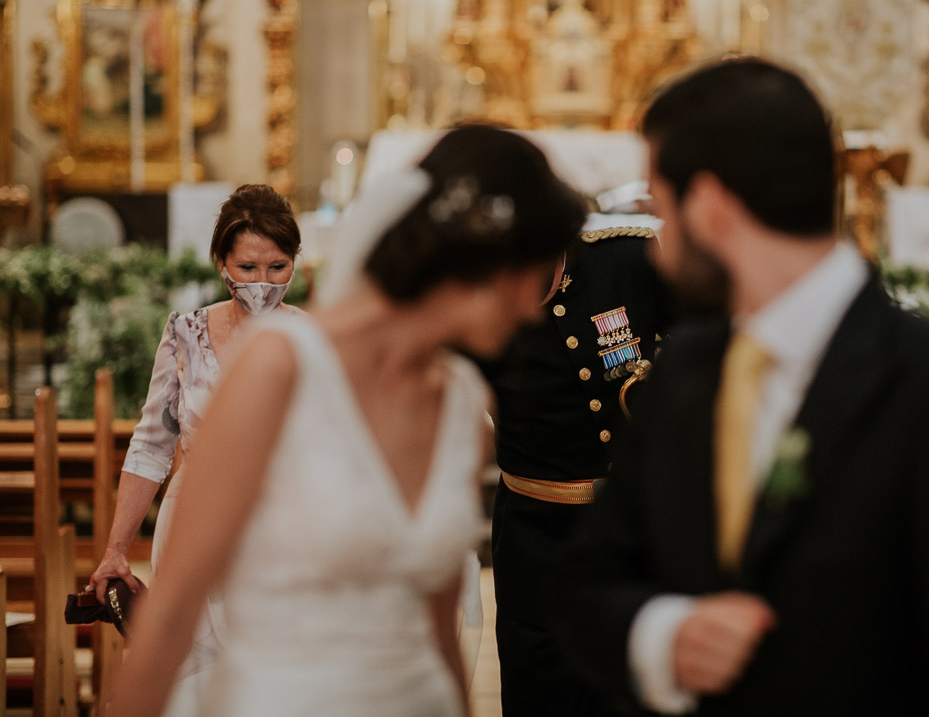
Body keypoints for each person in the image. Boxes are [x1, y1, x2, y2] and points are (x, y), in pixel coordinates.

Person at [552, 59, 929, 715]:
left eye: (661, 205)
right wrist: (662, 636)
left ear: (709, 209)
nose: (656, 246)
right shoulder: (684, 372)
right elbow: (589, 583)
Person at [105, 125, 586, 717]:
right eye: (533, 277)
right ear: (477, 262)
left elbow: (439, 628)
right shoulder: (279, 369)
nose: (532, 309)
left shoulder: (462, 400)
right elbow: (171, 616)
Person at [87, 183, 302, 717]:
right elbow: (151, 444)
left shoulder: (310, 339)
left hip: (281, 530)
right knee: (197, 688)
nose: (262, 283)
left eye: (278, 267)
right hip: (194, 525)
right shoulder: (186, 334)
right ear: (222, 263)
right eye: (248, 268)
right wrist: (116, 548)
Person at [482, 200, 670, 716]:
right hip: (534, 536)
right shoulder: (478, 298)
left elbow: (706, 340)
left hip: (633, 530)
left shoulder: (627, 261)